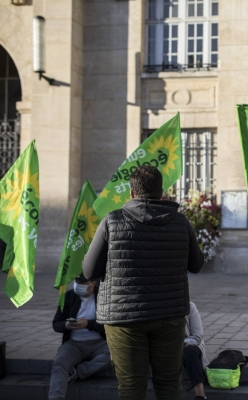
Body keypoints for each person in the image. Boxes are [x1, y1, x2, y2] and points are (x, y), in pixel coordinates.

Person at [83, 165, 204, 400]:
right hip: (169, 316)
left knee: (131, 389)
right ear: (161, 192)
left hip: (124, 320)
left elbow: (89, 270)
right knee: (169, 386)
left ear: (131, 193)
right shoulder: (181, 222)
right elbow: (196, 265)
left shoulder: (112, 221)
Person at [49, 275, 111, 400]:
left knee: (115, 355)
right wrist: (66, 325)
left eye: (84, 283)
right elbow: (56, 324)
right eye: (77, 282)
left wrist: (88, 324)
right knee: (60, 361)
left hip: (99, 342)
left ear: (93, 283)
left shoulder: (104, 297)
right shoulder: (68, 297)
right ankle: (56, 397)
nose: (79, 286)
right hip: (74, 343)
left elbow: (110, 325)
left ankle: (77, 372)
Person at [183, 301, 209, 400]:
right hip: (164, 348)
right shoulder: (159, 308)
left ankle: (200, 395)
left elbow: (197, 336)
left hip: (188, 345)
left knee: (190, 351)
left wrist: (181, 344)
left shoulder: (189, 307)